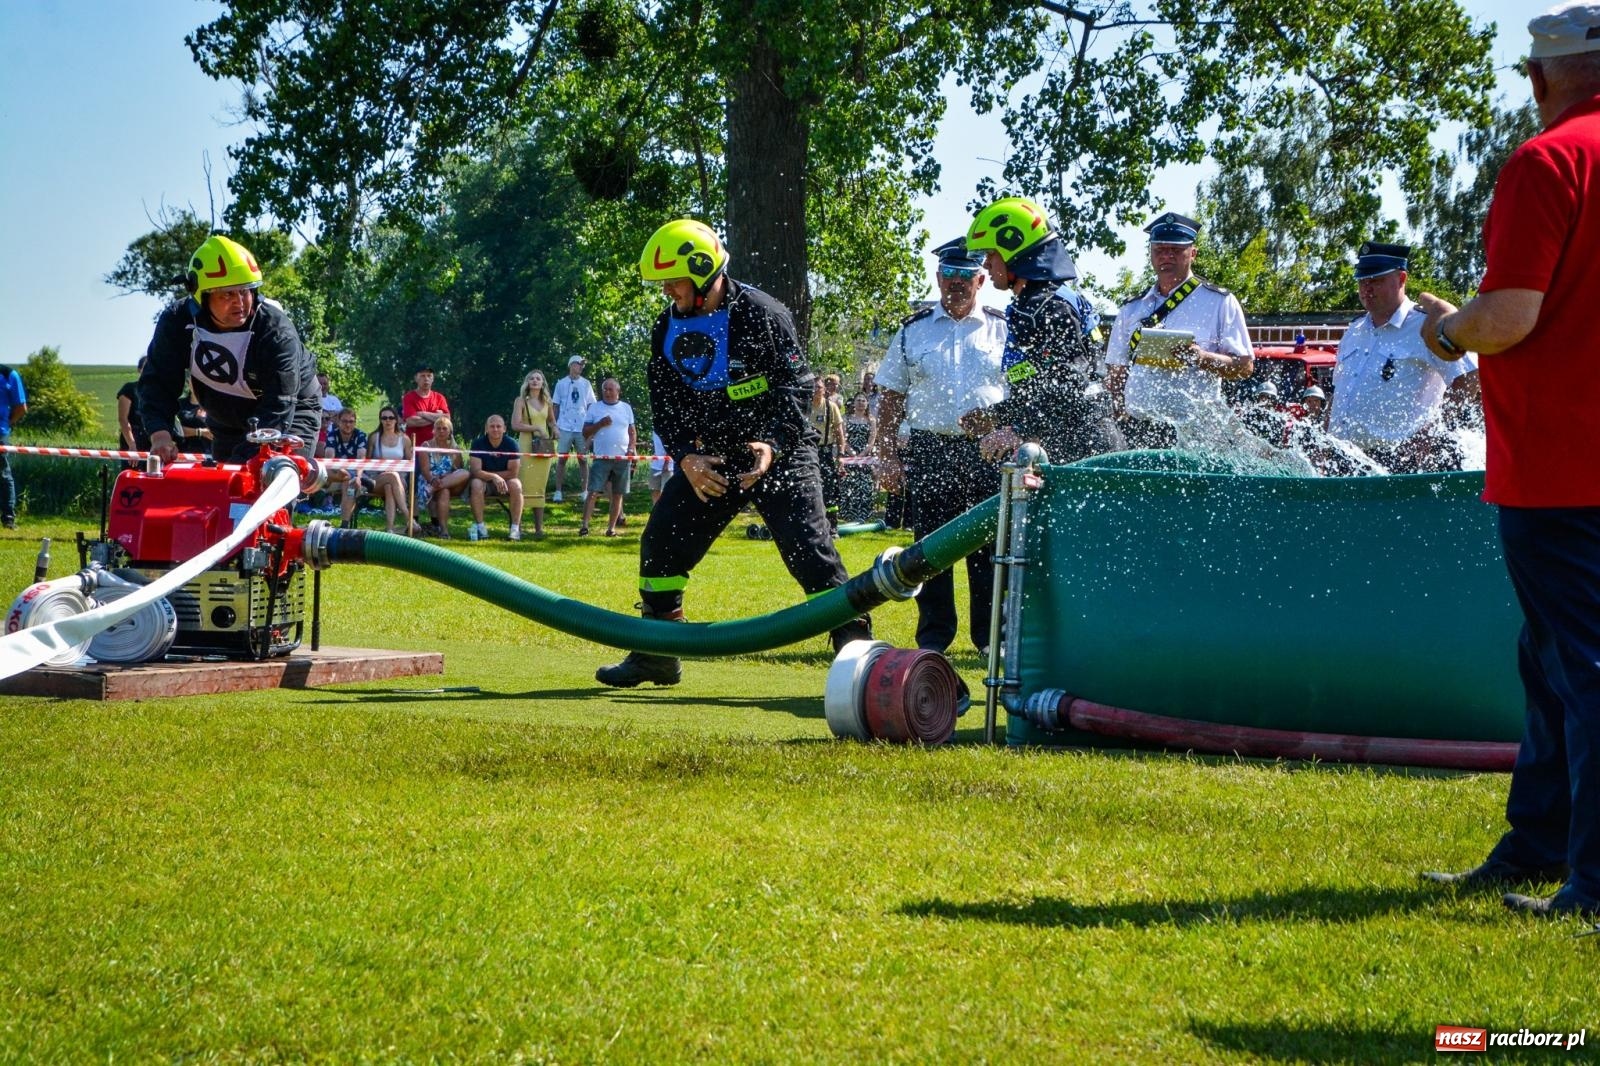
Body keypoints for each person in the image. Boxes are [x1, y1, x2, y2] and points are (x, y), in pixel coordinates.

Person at [1417, 2, 1600, 922]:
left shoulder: (1549, 160)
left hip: (1562, 470)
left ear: (1540, 76)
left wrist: (1447, 330)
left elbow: (1512, 315)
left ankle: (1590, 884)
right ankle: (1536, 845)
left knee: (1580, 668)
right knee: (1552, 664)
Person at [595, 218, 871, 687]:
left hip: (783, 454)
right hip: (715, 460)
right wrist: (686, 456)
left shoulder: (765, 313)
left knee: (812, 554)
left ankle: (860, 665)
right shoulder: (667, 325)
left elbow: (798, 386)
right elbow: (665, 399)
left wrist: (774, 443)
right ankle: (657, 653)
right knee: (661, 543)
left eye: (674, 283)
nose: (667, 293)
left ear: (703, 273)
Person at [875, 236, 1007, 654]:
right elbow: (892, 394)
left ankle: (989, 639)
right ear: (937, 277)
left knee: (988, 547)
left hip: (988, 451)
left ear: (981, 279)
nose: (956, 282)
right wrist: (886, 455)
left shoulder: (1004, 328)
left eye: (965, 275)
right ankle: (934, 637)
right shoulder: (912, 330)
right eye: (949, 274)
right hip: (930, 449)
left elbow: (1022, 390)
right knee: (931, 549)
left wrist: (1004, 426)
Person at [964, 197, 1125, 466]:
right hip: (1071, 439)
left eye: (991, 254)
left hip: (1086, 446)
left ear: (1015, 252)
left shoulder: (1050, 307)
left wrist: (1017, 431)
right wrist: (996, 415)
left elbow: (1069, 386)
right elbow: (1044, 389)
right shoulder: (1041, 302)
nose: (987, 265)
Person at [138, 234, 320, 463]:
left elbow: (280, 402)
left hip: (291, 410)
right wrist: (160, 434)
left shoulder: (276, 330)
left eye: (245, 291)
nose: (240, 302)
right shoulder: (176, 322)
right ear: (201, 295)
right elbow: (158, 383)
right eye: (227, 294)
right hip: (225, 416)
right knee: (224, 492)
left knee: (272, 478)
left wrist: (248, 459)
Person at [1103, 212, 1254, 448]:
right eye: (1159, 250)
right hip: (1138, 430)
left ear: (1192, 253)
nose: (1166, 256)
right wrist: (1117, 414)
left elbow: (1244, 367)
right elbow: (1117, 372)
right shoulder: (1132, 309)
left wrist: (1202, 358)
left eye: (1175, 250)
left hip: (1195, 433)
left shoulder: (1219, 302)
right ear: (1151, 254)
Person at [1327, 242, 1480, 473]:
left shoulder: (1425, 324)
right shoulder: (1355, 330)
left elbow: (1470, 376)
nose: (1367, 288)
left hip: (1397, 462)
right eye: (1362, 281)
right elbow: (1340, 392)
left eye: (1376, 280)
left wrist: (1433, 430)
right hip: (1341, 459)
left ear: (1401, 279)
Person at [581, 377, 637, 537]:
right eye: (605, 389)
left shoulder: (626, 408)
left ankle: (611, 528)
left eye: (610, 389)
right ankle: (584, 526)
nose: (607, 392)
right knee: (593, 492)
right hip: (601, 457)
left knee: (618, 494)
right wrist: (599, 424)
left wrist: (632, 448)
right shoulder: (594, 408)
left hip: (622, 458)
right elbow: (585, 432)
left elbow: (632, 431)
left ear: (618, 392)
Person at [511, 369, 557, 538]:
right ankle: (518, 527)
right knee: (522, 485)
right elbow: (516, 425)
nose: (535, 381)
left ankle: (539, 529)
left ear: (542, 382)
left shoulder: (547, 402)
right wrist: (536, 428)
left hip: (543, 448)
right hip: (526, 446)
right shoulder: (521, 401)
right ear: (527, 382)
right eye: (532, 378)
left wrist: (555, 429)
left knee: (540, 486)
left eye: (538, 378)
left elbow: (551, 421)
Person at [466, 414, 526, 541]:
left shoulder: (511, 444)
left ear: (504, 428)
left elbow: (513, 472)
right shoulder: (478, 444)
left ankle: (515, 529)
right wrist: (493, 477)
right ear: (486, 429)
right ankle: (481, 527)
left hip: (506, 483)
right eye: (492, 426)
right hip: (485, 482)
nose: (495, 429)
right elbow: (476, 471)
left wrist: (497, 477)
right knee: (475, 484)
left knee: (516, 484)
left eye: (498, 426)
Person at [551, 355, 597, 504]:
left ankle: (584, 491)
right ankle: (558, 491)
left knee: (582, 459)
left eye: (582, 365)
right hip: (564, 425)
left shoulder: (586, 384)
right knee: (562, 459)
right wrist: (554, 426)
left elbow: (591, 404)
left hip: (581, 426)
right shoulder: (561, 384)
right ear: (571, 365)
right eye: (578, 364)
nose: (581, 367)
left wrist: (591, 425)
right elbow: (555, 405)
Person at [367, 406, 418, 534]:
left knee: (390, 486)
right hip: (376, 479)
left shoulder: (405, 439)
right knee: (392, 476)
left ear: (396, 420)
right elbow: (366, 461)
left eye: (391, 418)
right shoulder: (374, 437)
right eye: (384, 418)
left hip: (400, 481)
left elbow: (410, 463)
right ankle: (409, 518)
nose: (388, 421)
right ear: (380, 420)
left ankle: (390, 528)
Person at [417, 417, 470, 537]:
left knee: (465, 473)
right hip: (429, 480)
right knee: (444, 491)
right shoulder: (426, 445)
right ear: (434, 431)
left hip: (449, 480)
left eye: (444, 429)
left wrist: (447, 476)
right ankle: (444, 530)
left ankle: (433, 490)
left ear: (450, 431)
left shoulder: (455, 448)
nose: (441, 431)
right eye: (438, 428)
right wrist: (433, 480)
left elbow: (457, 469)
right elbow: (424, 470)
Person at [322, 407, 370, 528]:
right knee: (345, 477)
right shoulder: (332, 435)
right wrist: (340, 470)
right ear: (338, 421)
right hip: (336, 472)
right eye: (344, 421)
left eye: (351, 421)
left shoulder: (360, 435)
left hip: (354, 475)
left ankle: (344, 524)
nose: (348, 424)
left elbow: (361, 458)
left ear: (355, 422)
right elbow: (329, 458)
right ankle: (344, 524)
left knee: (348, 480)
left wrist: (358, 477)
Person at [811, 373, 847, 533]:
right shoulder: (804, 406)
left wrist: (840, 455)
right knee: (808, 487)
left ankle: (832, 527)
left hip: (825, 451)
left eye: (818, 387)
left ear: (824, 389)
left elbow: (839, 433)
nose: (815, 390)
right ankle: (811, 524)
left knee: (829, 489)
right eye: (813, 387)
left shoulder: (830, 407)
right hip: (807, 450)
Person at [840, 393, 878, 523]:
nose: (861, 402)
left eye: (863, 400)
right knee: (849, 484)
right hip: (849, 456)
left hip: (865, 457)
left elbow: (872, 440)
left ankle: (864, 514)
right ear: (853, 403)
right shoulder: (846, 418)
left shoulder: (871, 420)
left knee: (864, 485)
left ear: (867, 403)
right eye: (858, 400)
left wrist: (862, 455)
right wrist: (852, 454)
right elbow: (843, 438)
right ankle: (847, 514)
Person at [0, 359, 27, 529]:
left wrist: (6, 424)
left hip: (0, 433)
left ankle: (8, 516)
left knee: (3, 475)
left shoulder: (9, 374)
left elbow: (21, 408)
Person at [401, 367, 450, 452]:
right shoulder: (409, 397)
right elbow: (411, 422)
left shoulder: (439, 398)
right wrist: (437, 417)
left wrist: (422, 414)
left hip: (437, 448)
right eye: (422, 376)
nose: (426, 378)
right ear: (416, 378)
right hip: (415, 448)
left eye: (429, 376)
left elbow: (447, 419)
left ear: (433, 378)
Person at [116, 358, 149, 463]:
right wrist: (132, 445)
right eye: (146, 367)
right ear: (139, 369)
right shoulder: (129, 389)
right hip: (133, 441)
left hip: (150, 441)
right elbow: (123, 419)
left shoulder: (157, 393)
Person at [648, 429, 675, 504]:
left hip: (669, 467)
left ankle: (666, 512)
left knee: (666, 492)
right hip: (655, 465)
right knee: (654, 489)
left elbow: (671, 446)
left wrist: (666, 463)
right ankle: (656, 510)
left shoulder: (668, 428)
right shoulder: (654, 430)